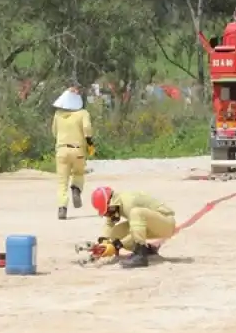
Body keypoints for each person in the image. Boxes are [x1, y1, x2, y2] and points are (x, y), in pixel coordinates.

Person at [90, 186, 176, 269]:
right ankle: (147, 251)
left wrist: (116, 246)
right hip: (150, 224)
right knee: (115, 233)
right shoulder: (116, 204)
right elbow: (109, 224)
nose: (108, 215)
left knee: (136, 213)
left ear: (111, 203)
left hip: (166, 223)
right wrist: (104, 241)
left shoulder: (129, 203)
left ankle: (140, 255)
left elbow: (133, 234)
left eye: (107, 212)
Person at [51, 86, 94, 220]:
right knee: (78, 173)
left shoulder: (58, 114)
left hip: (62, 150)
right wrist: (89, 142)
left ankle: (62, 208)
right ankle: (76, 189)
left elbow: (54, 131)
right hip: (78, 150)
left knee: (62, 182)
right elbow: (87, 128)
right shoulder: (83, 113)